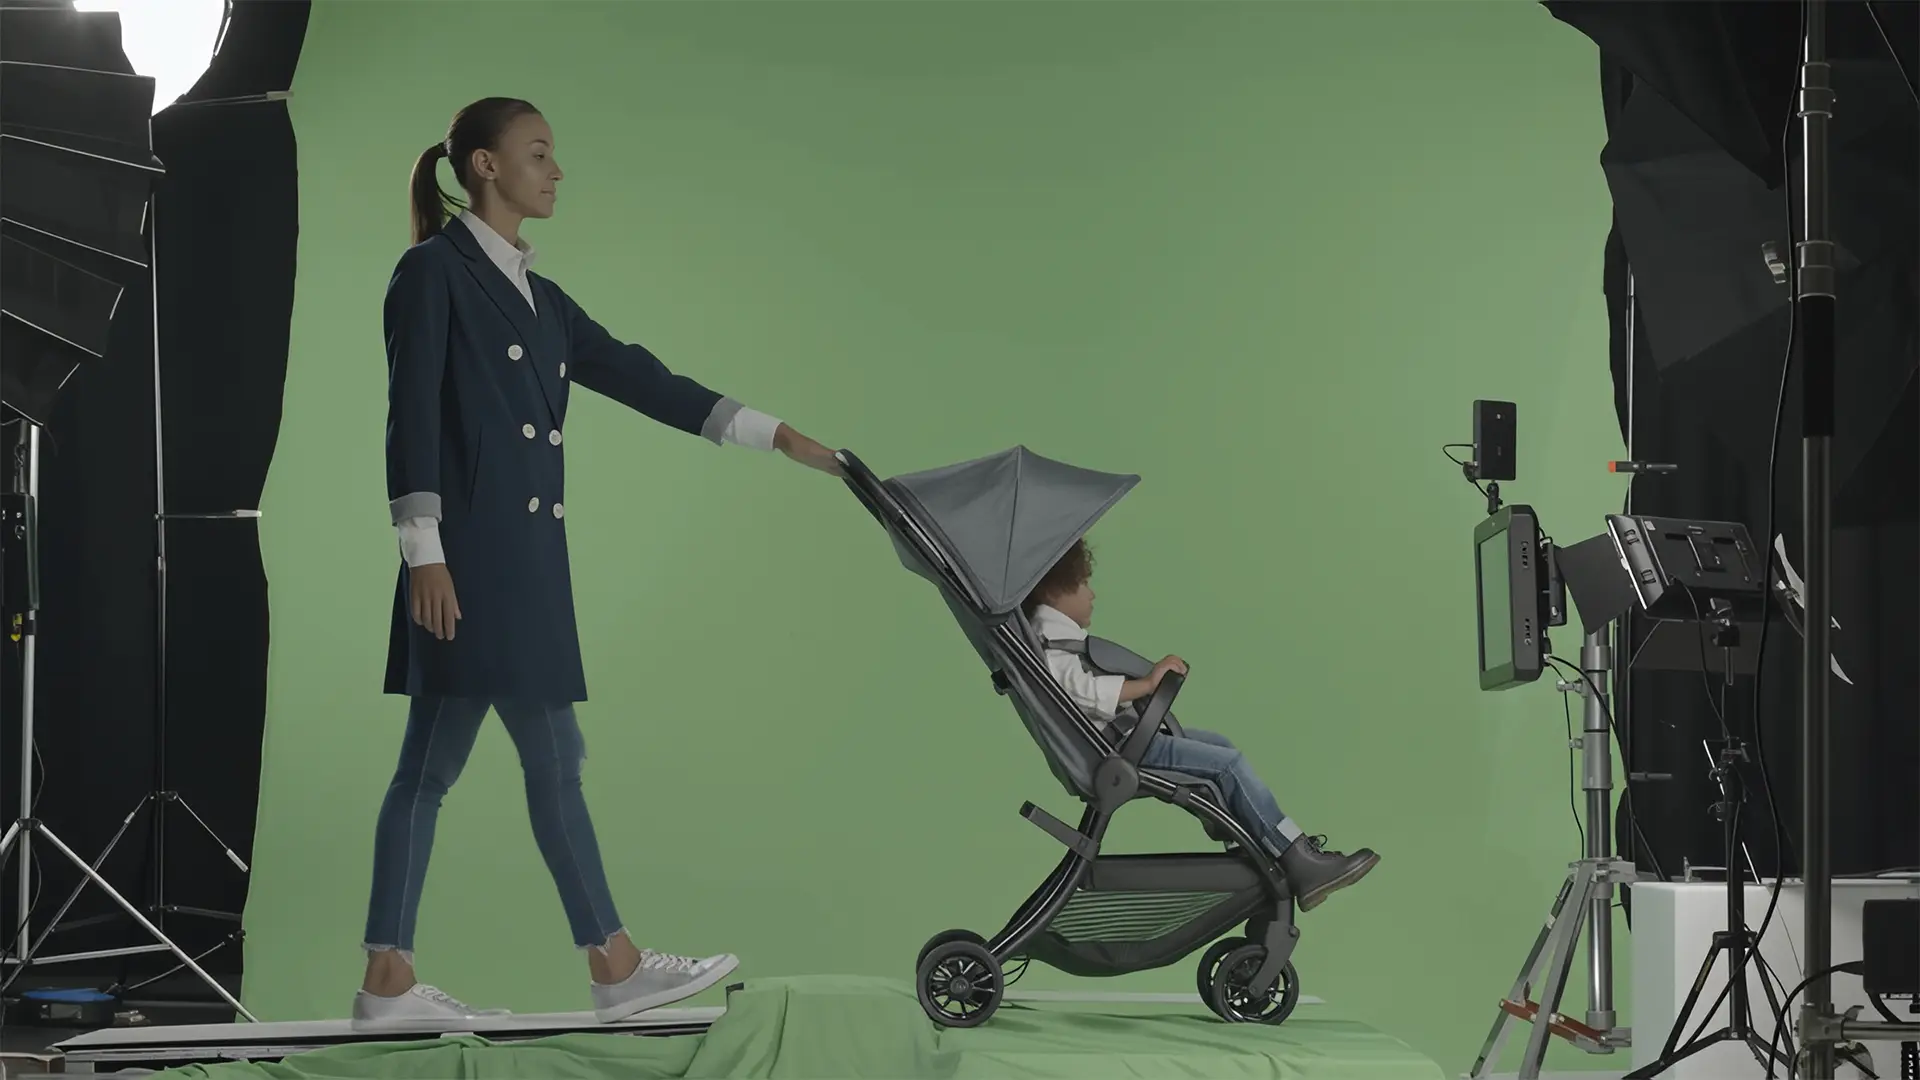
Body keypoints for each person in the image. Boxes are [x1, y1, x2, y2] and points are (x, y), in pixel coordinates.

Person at [359, 97, 843, 1030]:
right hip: (476, 564)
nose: (556, 169)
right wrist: (424, 553)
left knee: (429, 770)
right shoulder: (433, 273)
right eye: (538, 154)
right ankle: (615, 963)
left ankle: (388, 977)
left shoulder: (542, 299)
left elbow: (640, 375)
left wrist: (774, 434)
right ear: (486, 168)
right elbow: (409, 412)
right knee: (550, 757)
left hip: (523, 563)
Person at [1022, 539, 1380, 912]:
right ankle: (1298, 857)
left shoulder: (1055, 643)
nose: (1092, 594)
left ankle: (1250, 844)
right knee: (1228, 765)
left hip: (1124, 741)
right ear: (1052, 589)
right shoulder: (1052, 646)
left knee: (1217, 745)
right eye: (1084, 584)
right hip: (1123, 749)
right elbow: (1081, 691)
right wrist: (1145, 686)